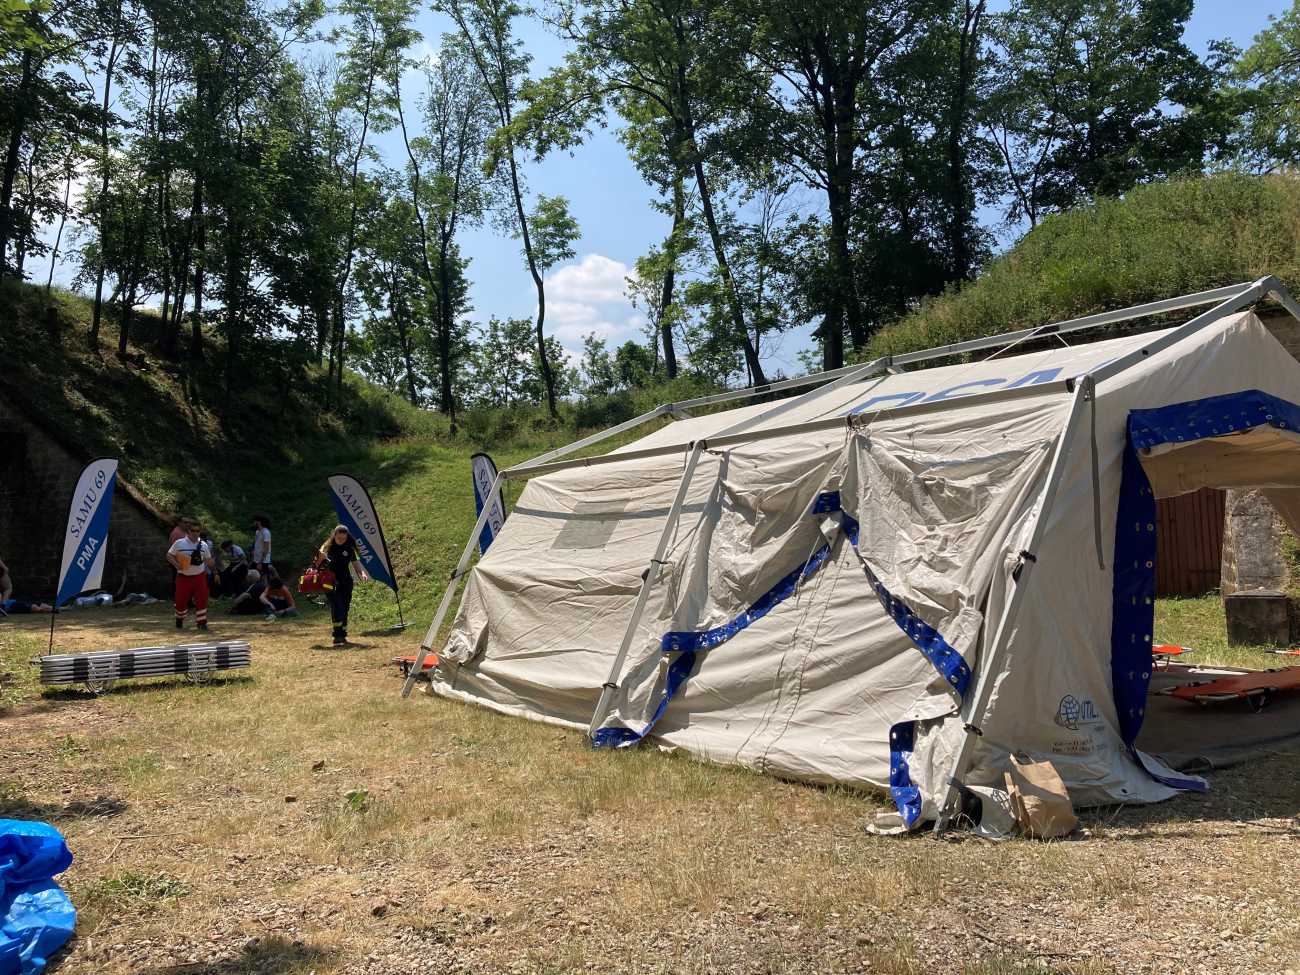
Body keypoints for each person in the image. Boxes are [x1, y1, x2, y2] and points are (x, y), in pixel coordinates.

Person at [316, 524, 368, 645]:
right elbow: (317, 565)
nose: (341, 540)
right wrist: (321, 557)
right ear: (334, 536)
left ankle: (343, 635)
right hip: (330, 582)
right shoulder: (327, 547)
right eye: (339, 538)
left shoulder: (349, 548)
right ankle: (337, 635)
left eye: (343, 538)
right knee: (337, 606)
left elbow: (355, 564)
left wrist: (362, 573)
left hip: (345, 581)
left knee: (345, 608)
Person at [166, 522, 214, 630]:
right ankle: (180, 617)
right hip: (183, 578)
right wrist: (176, 564)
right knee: (180, 601)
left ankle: (202, 623)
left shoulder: (203, 545)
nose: (196, 533)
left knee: (202, 599)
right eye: (193, 531)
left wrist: (212, 565)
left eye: (198, 531)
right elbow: (169, 555)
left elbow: (209, 560)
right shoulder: (179, 543)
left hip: (199, 577)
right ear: (188, 531)